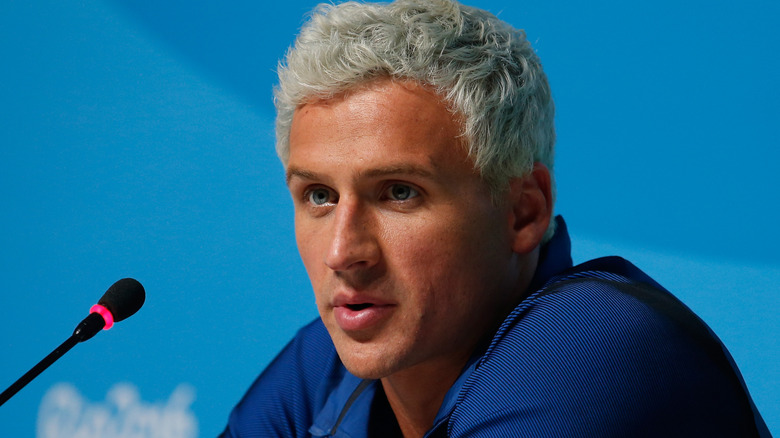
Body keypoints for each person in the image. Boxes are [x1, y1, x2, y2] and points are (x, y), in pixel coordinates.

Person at [221, 0, 770, 436]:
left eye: (398, 192)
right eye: (319, 196)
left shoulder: (587, 347)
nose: (343, 253)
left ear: (523, 211)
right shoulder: (325, 369)